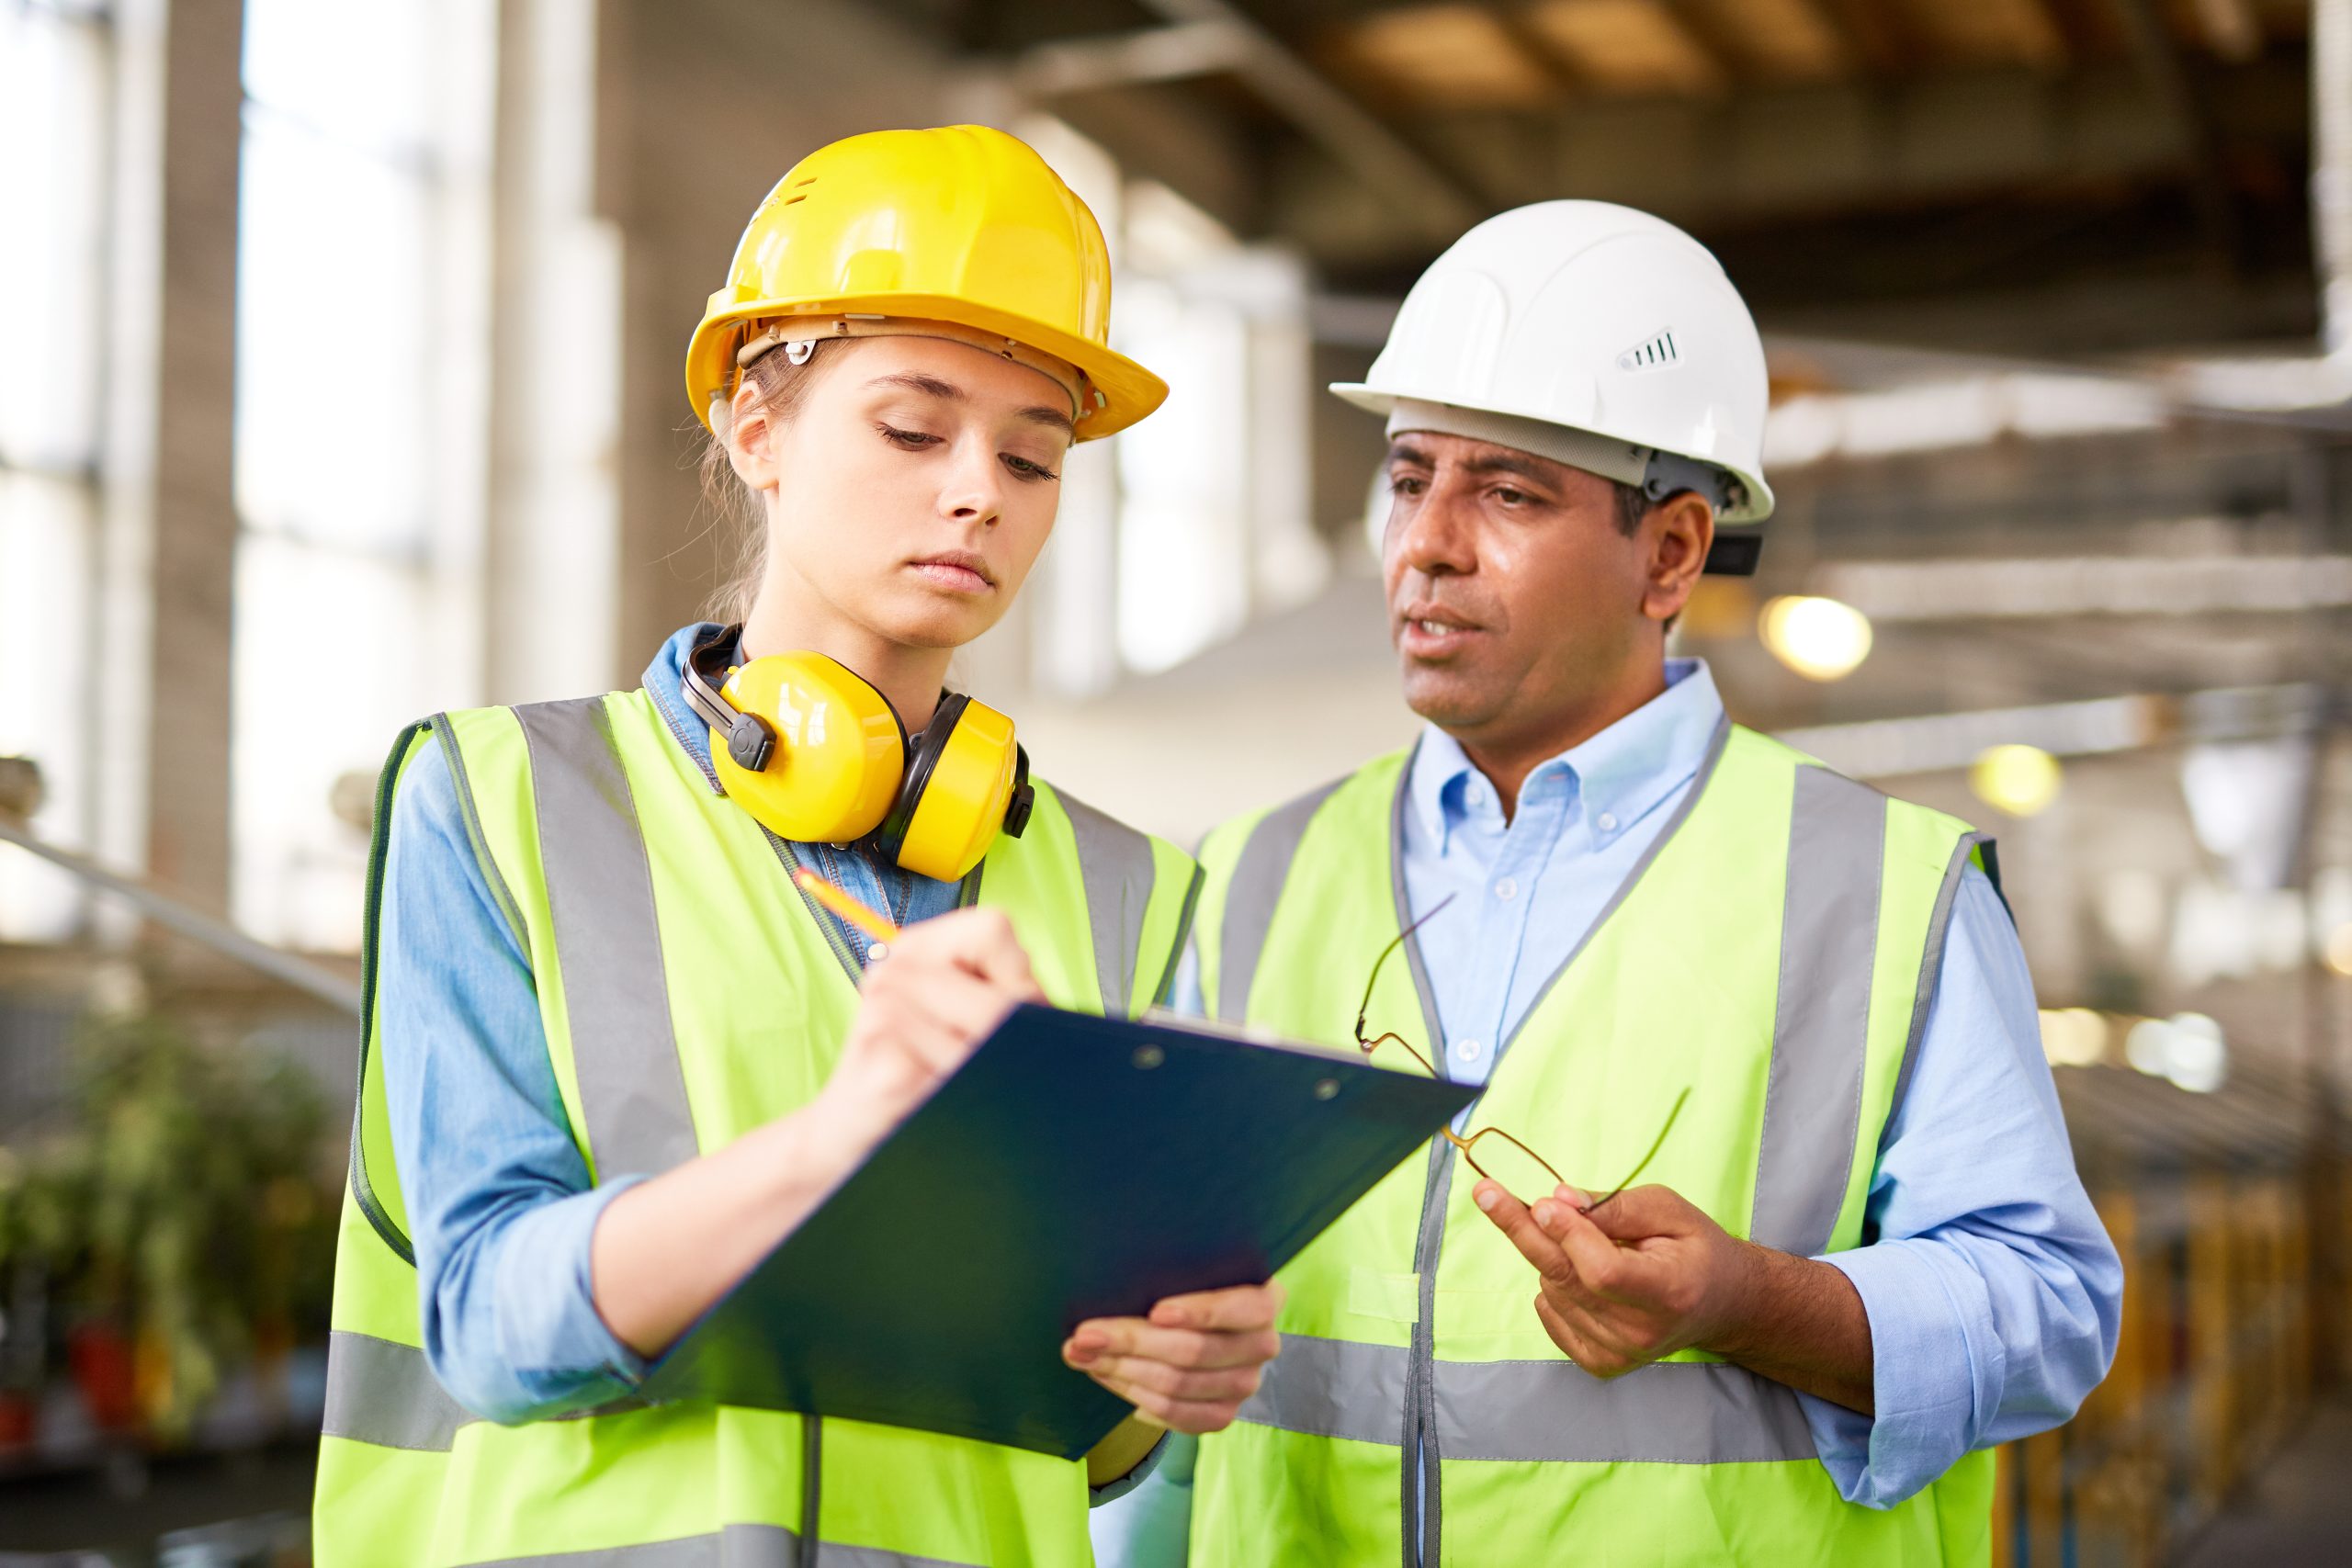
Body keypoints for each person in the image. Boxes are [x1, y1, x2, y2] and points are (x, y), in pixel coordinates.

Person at [1092, 201, 2122, 1566]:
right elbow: (1157, 1368)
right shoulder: (1253, 874)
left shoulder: (1877, 889)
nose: (1428, 545)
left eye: (1508, 493)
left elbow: (2046, 1310)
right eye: (1410, 479)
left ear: (1673, 552)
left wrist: (1752, 1299)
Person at [314, 125, 1283, 1568]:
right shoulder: (505, 797)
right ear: (754, 430)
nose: (981, 493)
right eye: (913, 428)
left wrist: (1161, 1388)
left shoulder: (1129, 887)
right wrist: (836, 1147)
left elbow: (1077, 1438)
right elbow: (489, 1320)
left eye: (1035, 455)